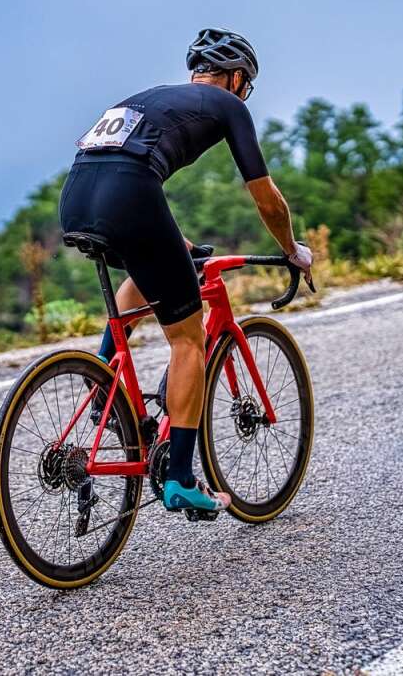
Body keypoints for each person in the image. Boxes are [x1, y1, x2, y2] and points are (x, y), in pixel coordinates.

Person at [58, 27, 314, 517]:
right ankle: (180, 478)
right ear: (237, 78)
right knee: (187, 339)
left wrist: (182, 245)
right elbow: (265, 196)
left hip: (76, 197)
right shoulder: (228, 106)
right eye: (247, 85)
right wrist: (292, 249)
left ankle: (104, 389)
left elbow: (128, 174)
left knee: (145, 269)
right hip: (129, 195)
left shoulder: (152, 98)